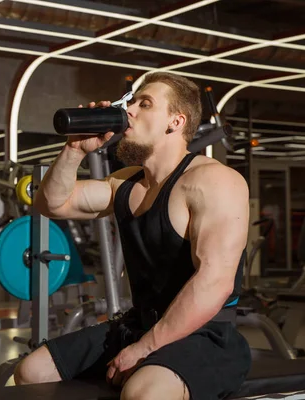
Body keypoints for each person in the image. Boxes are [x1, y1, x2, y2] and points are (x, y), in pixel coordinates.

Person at [13, 72, 251, 400]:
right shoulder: (124, 184)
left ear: (175, 121)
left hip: (205, 335)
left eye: (145, 103)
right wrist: (75, 149)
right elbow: (51, 203)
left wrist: (144, 348)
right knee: (30, 372)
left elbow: (216, 282)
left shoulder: (214, 181)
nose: (130, 111)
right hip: (139, 324)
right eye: (132, 102)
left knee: (142, 394)